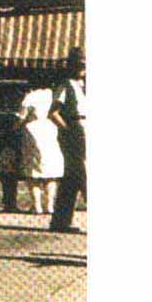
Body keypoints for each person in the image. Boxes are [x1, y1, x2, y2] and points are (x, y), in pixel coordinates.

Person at [49, 47, 87, 233]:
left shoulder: (82, 86)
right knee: (83, 174)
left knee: (71, 179)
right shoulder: (66, 86)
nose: (82, 69)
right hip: (74, 130)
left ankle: (60, 221)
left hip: (84, 128)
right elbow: (53, 113)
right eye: (79, 65)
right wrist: (68, 129)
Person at [16, 77, 64, 214]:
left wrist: (14, 127)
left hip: (33, 132)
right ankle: (50, 205)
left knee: (33, 171)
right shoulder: (52, 95)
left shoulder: (30, 97)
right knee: (50, 171)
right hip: (50, 130)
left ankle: (36, 206)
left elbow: (21, 117)